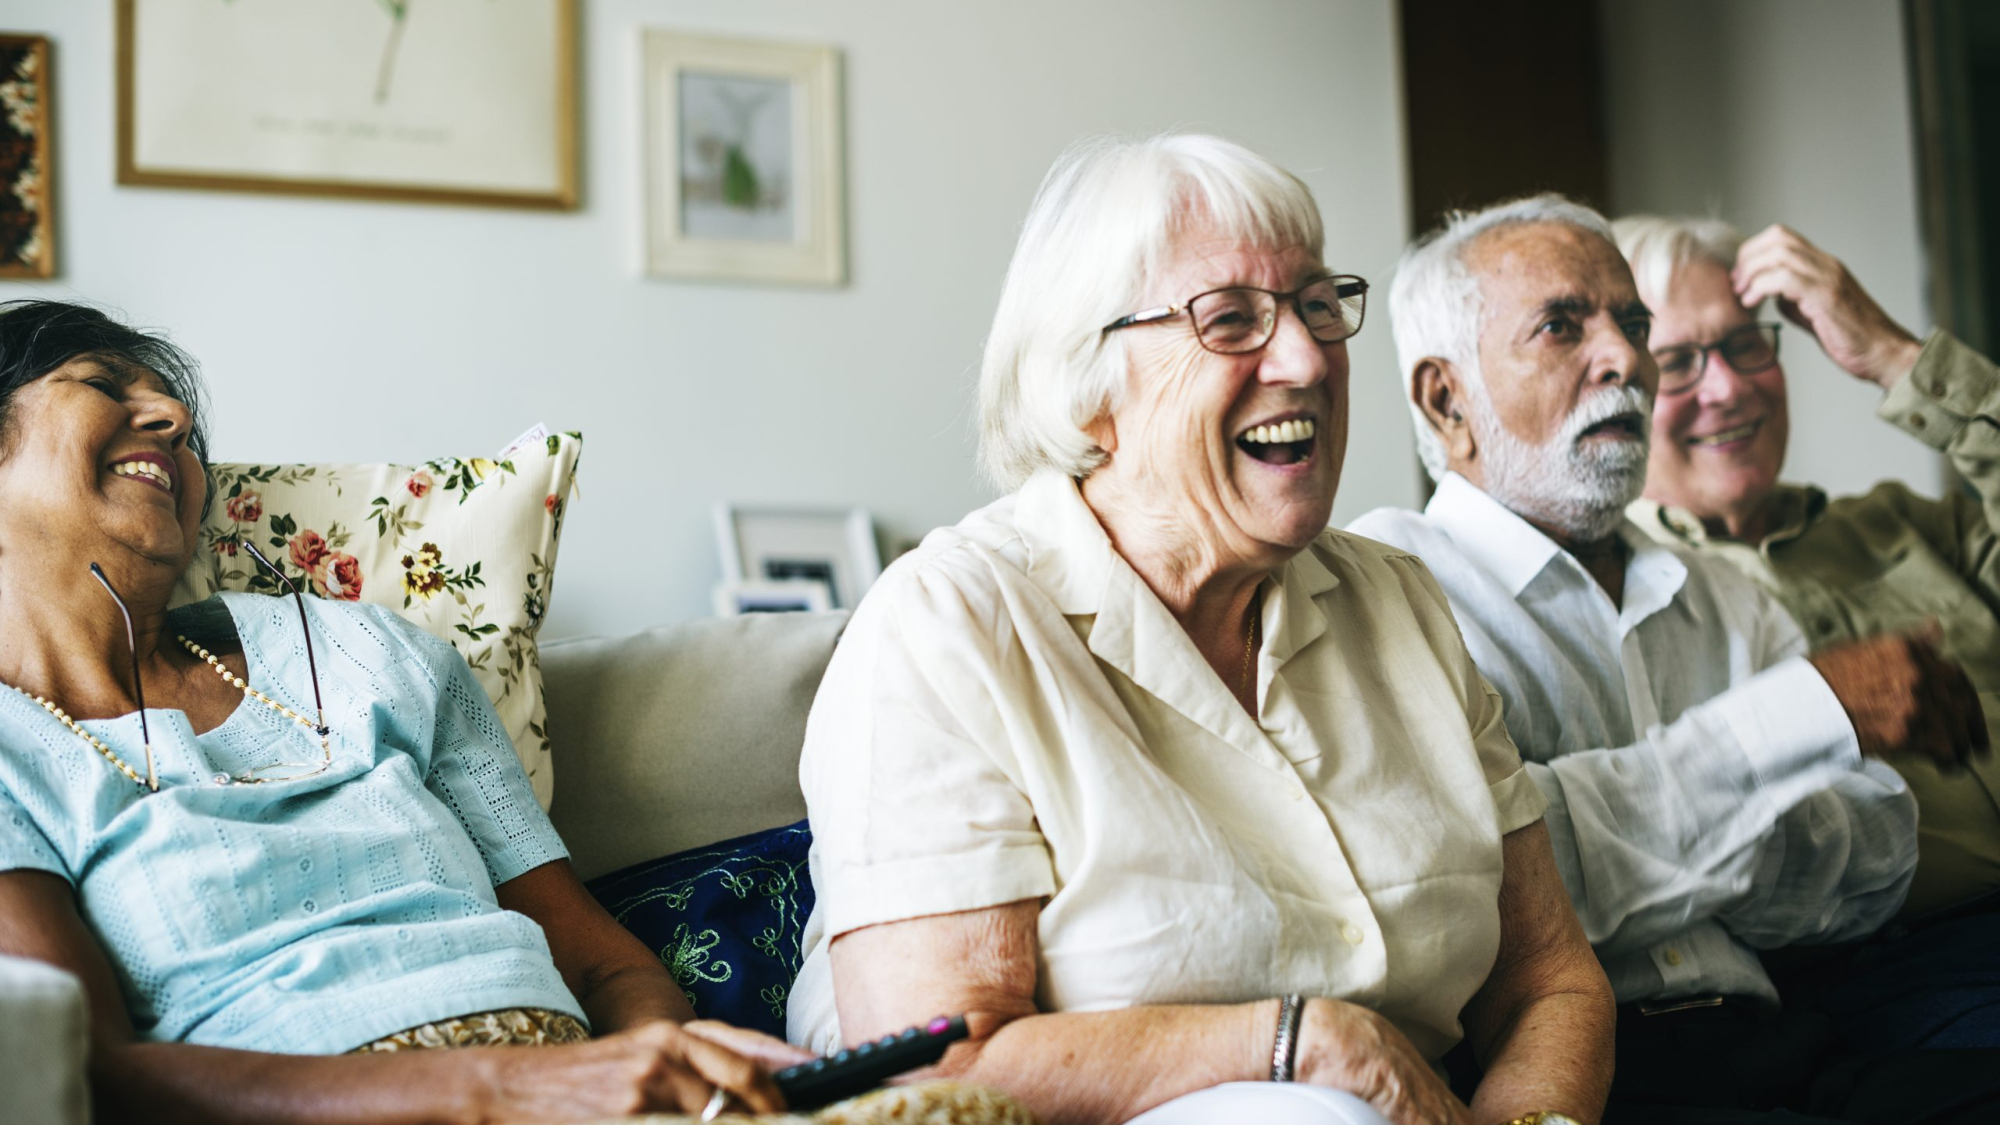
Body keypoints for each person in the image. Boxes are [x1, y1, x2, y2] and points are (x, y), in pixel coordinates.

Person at [785, 135, 1614, 1125]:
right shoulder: (947, 626)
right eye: (1230, 320)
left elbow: (1548, 981)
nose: (1306, 359)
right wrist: (1308, 1047)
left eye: (1316, 306)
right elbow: (932, 1072)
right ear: (1087, 389)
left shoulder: (1400, 603)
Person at [0, 300, 816, 1123]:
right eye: (103, 383)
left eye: (176, 413)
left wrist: (674, 1076)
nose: (174, 419)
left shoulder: (367, 652)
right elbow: (82, 1067)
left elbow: (606, 966)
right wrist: (503, 1092)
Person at [1348, 196, 1988, 1123]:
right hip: (1586, 1075)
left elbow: (1877, 856)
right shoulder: (1391, 584)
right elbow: (1483, 885)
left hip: (1792, 1045)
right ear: (1449, 400)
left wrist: (1624, 824)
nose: (1628, 361)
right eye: (1563, 326)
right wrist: (1790, 731)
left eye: (1632, 324)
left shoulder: (1727, 596)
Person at [1613, 217, 2000, 1060]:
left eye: (1748, 345)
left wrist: (1900, 359)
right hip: (1897, 976)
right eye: (1677, 362)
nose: (1727, 389)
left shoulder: (1903, 525)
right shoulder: (1624, 594)